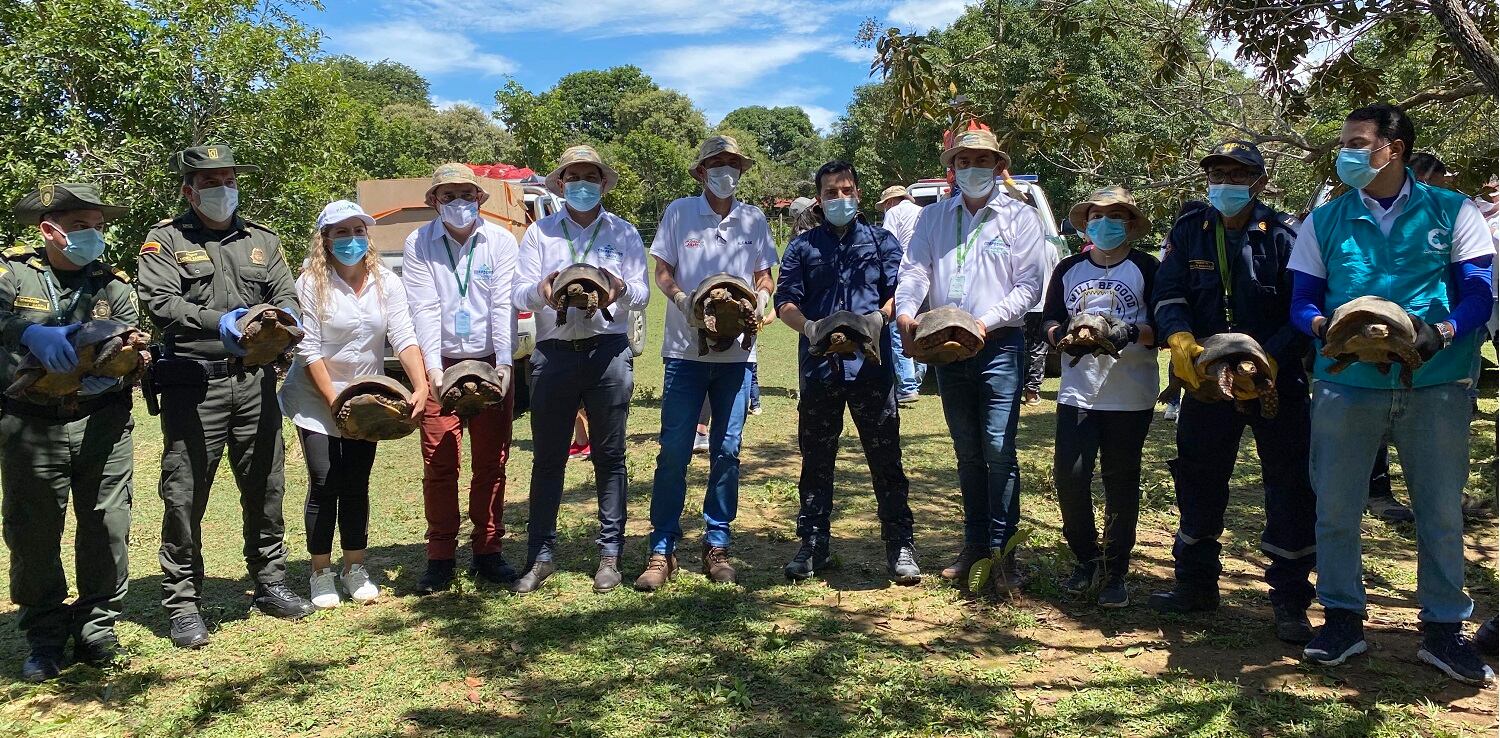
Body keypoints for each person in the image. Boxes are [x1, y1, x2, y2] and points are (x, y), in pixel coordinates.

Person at [1289, 104, 1495, 684]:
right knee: (1335, 507)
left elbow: (1478, 295)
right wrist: (1322, 329)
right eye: (1345, 142)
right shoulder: (1323, 219)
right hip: (1344, 386)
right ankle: (1343, 622)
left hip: (1435, 386)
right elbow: (1303, 299)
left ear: (1392, 149)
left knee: (1439, 511)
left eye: (1356, 142)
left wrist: (1442, 331)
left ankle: (1443, 632)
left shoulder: (1454, 212)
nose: (1345, 152)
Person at [138, 144, 313, 648]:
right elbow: (160, 302)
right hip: (195, 384)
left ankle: (270, 581)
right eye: (210, 182)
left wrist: (276, 323)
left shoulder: (262, 240)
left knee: (266, 484)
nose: (222, 190)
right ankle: (184, 602)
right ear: (188, 189)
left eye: (228, 179)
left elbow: (286, 297)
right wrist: (221, 321)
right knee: (185, 492)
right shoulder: (164, 241)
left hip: (255, 380)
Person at [1147, 140, 1318, 645]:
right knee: (1198, 478)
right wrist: (1178, 335)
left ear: (1260, 182)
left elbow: (1303, 309)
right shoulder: (1189, 230)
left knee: (1288, 486)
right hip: (1205, 383)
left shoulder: (1286, 234)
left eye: (1237, 174)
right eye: (1217, 173)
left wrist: (1262, 362)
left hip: (1274, 380)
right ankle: (1195, 585)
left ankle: (1289, 600)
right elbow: (1169, 292)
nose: (1224, 182)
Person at [894, 128, 1046, 591]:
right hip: (945, 346)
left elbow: (1029, 287)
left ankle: (1005, 555)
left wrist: (982, 323)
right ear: (952, 167)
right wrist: (904, 310)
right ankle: (975, 546)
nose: (972, 168)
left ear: (999, 167)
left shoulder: (1021, 218)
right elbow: (916, 270)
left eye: (982, 160)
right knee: (967, 452)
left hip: (998, 345)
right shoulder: (932, 218)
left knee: (999, 450)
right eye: (964, 160)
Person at [0, 184, 137, 680]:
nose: (92, 235)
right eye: (81, 226)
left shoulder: (113, 283)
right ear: (48, 230)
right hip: (29, 424)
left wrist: (118, 362)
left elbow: (129, 335)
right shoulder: (12, 273)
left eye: (98, 225)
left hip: (102, 421)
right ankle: (45, 636)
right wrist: (26, 330)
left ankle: (97, 629)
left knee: (107, 525)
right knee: (33, 533)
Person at [637, 135, 777, 590]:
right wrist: (682, 301)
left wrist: (757, 303)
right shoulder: (680, 212)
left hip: (737, 356)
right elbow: (662, 271)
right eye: (716, 164)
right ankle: (662, 548)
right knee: (674, 451)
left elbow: (764, 276)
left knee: (728, 450)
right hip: (684, 352)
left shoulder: (753, 218)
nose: (725, 171)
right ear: (700, 172)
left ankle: (717, 542)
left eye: (732, 164)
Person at [510, 145, 648, 595]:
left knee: (610, 457)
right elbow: (519, 295)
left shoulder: (624, 232)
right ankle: (541, 555)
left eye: (591, 176)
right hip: (553, 352)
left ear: (603, 184)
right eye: (574, 177)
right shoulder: (540, 234)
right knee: (548, 458)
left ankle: (610, 555)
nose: (583, 184)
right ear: (561, 184)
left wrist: (620, 288)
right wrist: (544, 291)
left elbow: (642, 294)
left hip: (609, 349)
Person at [775, 162, 920, 584]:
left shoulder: (881, 242)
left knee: (886, 458)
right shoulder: (803, 247)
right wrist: (809, 327)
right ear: (819, 199)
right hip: (820, 369)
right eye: (832, 192)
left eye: (847, 190)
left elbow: (900, 292)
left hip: (871, 370)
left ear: (858, 192)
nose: (841, 198)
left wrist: (878, 319)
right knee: (816, 460)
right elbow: (785, 300)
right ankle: (812, 544)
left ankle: (900, 545)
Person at [278, 200, 427, 608]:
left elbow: (404, 334)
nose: (351, 240)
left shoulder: (385, 280)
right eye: (341, 233)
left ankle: (355, 567)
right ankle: (320, 572)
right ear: (325, 239)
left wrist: (420, 385)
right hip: (316, 397)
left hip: (368, 400)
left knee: (357, 482)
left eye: (358, 231)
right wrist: (336, 404)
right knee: (326, 481)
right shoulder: (310, 282)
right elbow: (308, 351)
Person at [401, 163, 519, 594]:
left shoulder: (501, 241)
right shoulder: (419, 243)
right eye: (447, 196)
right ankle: (440, 556)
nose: (458, 203)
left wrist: (505, 366)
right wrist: (433, 372)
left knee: (492, 461)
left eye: (465, 194)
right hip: (442, 360)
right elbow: (424, 307)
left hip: (490, 359)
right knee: (439, 461)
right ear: (433, 201)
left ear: (479, 199)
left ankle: (488, 550)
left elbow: (504, 304)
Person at [1042, 186, 1159, 608]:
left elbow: (1162, 326)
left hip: (1130, 395)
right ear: (1086, 223)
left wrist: (1127, 332)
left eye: (1115, 216)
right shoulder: (1069, 268)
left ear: (1129, 224)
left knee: (1121, 481)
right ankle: (1085, 558)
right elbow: (1050, 316)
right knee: (1070, 479)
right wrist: (1060, 336)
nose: (1104, 223)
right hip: (1077, 392)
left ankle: (1116, 568)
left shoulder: (1147, 266)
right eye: (1096, 215)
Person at [878, 185, 926, 404]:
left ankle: (907, 386)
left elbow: (887, 245)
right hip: (927, 277)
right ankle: (917, 377)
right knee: (923, 326)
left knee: (899, 329)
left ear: (890, 202)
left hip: (904, 277)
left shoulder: (893, 213)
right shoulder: (922, 212)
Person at [1021, 226, 1062, 406]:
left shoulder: (1018, 245)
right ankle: (1031, 392)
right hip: (1040, 305)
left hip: (1020, 306)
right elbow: (1055, 275)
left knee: (1018, 348)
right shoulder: (1049, 247)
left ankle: (1018, 389)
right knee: (1038, 350)